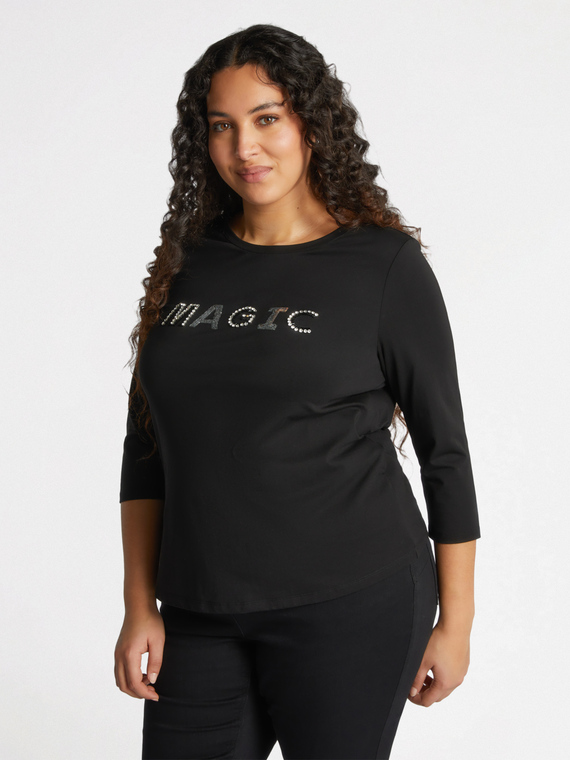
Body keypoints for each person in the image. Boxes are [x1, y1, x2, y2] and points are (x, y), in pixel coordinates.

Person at [114, 23, 481, 760]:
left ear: (311, 122)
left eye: (266, 118)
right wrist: (138, 604)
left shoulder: (384, 267)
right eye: (222, 125)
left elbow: (445, 453)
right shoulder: (189, 265)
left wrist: (457, 622)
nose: (244, 147)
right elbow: (146, 447)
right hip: (200, 609)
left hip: (353, 602)